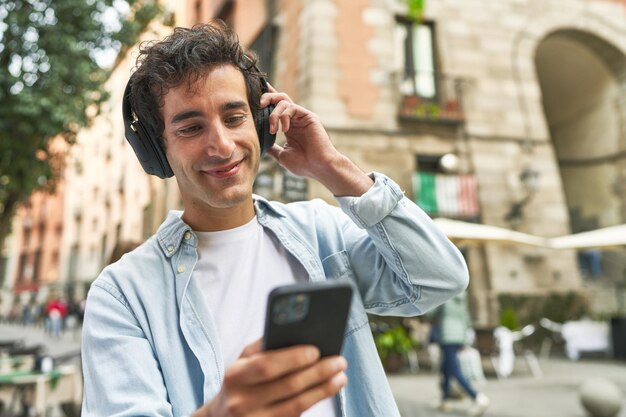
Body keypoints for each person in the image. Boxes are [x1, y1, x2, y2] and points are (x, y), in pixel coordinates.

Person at [81, 21, 469, 417]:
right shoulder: (122, 294)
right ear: (158, 150)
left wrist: (332, 167)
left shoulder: (322, 232)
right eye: (192, 127)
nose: (222, 145)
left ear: (263, 127)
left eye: (234, 118)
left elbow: (439, 279)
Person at [429, 291, 489, 416]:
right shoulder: (461, 292)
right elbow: (465, 317)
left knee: (453, 370)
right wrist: (464, 338)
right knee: (445, 369)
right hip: (458, 336)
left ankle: (478, 397)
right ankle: (444, 400)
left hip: (447, 335)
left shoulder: (443, 293)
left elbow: (431, 313)